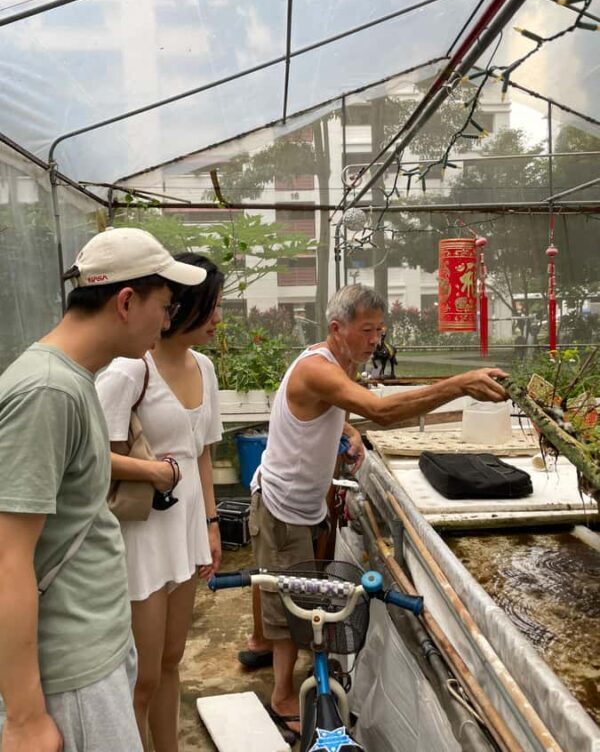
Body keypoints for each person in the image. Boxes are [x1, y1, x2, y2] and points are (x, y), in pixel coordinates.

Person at [248, 284, 507, 741]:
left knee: (296, 589)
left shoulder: (335, 365)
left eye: (379, 330)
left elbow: (331, 407)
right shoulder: (317, 368)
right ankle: (282, 696)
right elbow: (381, 412)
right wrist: (458, 384)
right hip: (283, 505)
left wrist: (343, 427)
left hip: (303, 504)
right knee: (287, 601)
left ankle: (284, 670)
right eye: (366, 330)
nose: (375, 340)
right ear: (336, 329)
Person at [0, 228, 206, 752]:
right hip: (72, 673)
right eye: (165, 304)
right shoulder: (47, 392)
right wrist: (25, 718)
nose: (168, 320)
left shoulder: (73, 380)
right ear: (126, 301)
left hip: (94, 648)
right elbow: (8, 558)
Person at [95, 253, 224, 752]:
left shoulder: (205, 368)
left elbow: (204, 454)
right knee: (142, 675)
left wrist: (211, 524)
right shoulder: (131, 369)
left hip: (185, 530)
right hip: (143, 536)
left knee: (172, 661)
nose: (218, 318)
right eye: (211, 306)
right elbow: (94, 457)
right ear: (183, 307)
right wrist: (152, 471)